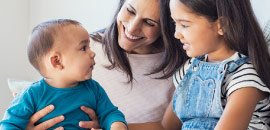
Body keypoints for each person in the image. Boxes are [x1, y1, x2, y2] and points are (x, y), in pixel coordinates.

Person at [22, 0, 189, 129]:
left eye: (149, 23)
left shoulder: (184, 69)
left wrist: (109, 125)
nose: (132, 28)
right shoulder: (82, 50)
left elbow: (167, 127)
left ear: (167, 27)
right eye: (130, 11)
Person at [128, 0, 270, 130]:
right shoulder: (190, 69)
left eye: (184, 25)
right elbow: (165, 127)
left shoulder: (244, 78)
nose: (177, 34)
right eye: (174, 23)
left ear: (222, 26)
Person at [0, 19, 128, 130]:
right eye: (84, 48)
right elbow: (9, 124)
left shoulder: (94, 89)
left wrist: (117, 125)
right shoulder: (31, 95)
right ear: (57, 61)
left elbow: (110, 113)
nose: (93, 53)